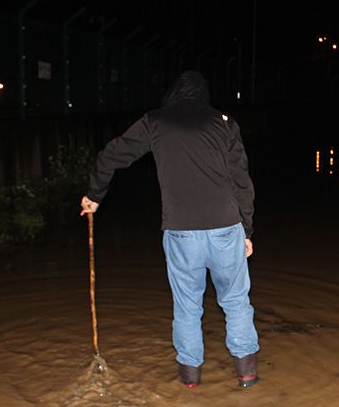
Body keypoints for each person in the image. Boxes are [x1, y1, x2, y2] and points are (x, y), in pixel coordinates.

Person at [79, 70, 259, 388]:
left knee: (187, 305)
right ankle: (247, 375)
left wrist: (94, 195)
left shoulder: (155, 121)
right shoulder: (225, 122)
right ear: (204, 95)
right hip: (225, 228)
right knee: (235, 301)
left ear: (173, 94)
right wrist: (247, 229)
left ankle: (190, 382)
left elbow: (112, 154)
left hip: (181, 233)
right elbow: (241, 180)